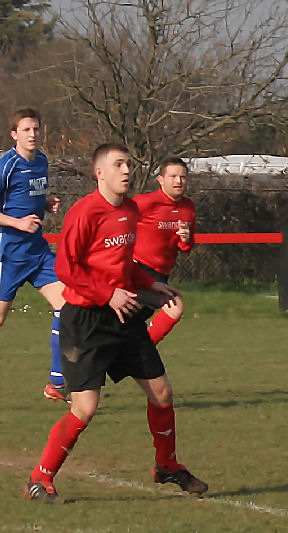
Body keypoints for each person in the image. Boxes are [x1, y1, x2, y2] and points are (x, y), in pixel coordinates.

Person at [25, 143, 207, 504]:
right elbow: (66, 269)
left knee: (162, 393)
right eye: (118, 165)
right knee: (85, 409)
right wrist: (107, 295)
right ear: (100, 173)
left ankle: (166, 465)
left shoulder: (129, 210)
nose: (126, 170)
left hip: (124, 316)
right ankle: (39, 478)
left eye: (128, 164)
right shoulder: (84, 212)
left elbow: (121, 263)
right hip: (88, 320)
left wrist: (147, 283)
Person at [0, 108, 69, 403]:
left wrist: (46, 203)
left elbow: (27, 198)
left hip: (37, 252)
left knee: (68, 306)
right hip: (9, 253)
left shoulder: (41, 161)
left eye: (36, 129)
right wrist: (17, 223)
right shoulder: (6, 164)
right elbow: (11, 211)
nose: (33, 135)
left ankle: (57, 382)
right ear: (14, 134)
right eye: (26, 130)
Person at [133, 156, 196, 344]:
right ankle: (142, 352)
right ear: (160, 180)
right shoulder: (145, 202)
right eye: (173, 176)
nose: (178, 181)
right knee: (174, 307)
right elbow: (117, 220)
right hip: (138, 269)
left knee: (129, 322)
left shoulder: (188, 208)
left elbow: (186, 247)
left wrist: (185, 239)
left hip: (161, 274)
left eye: (183, 177)